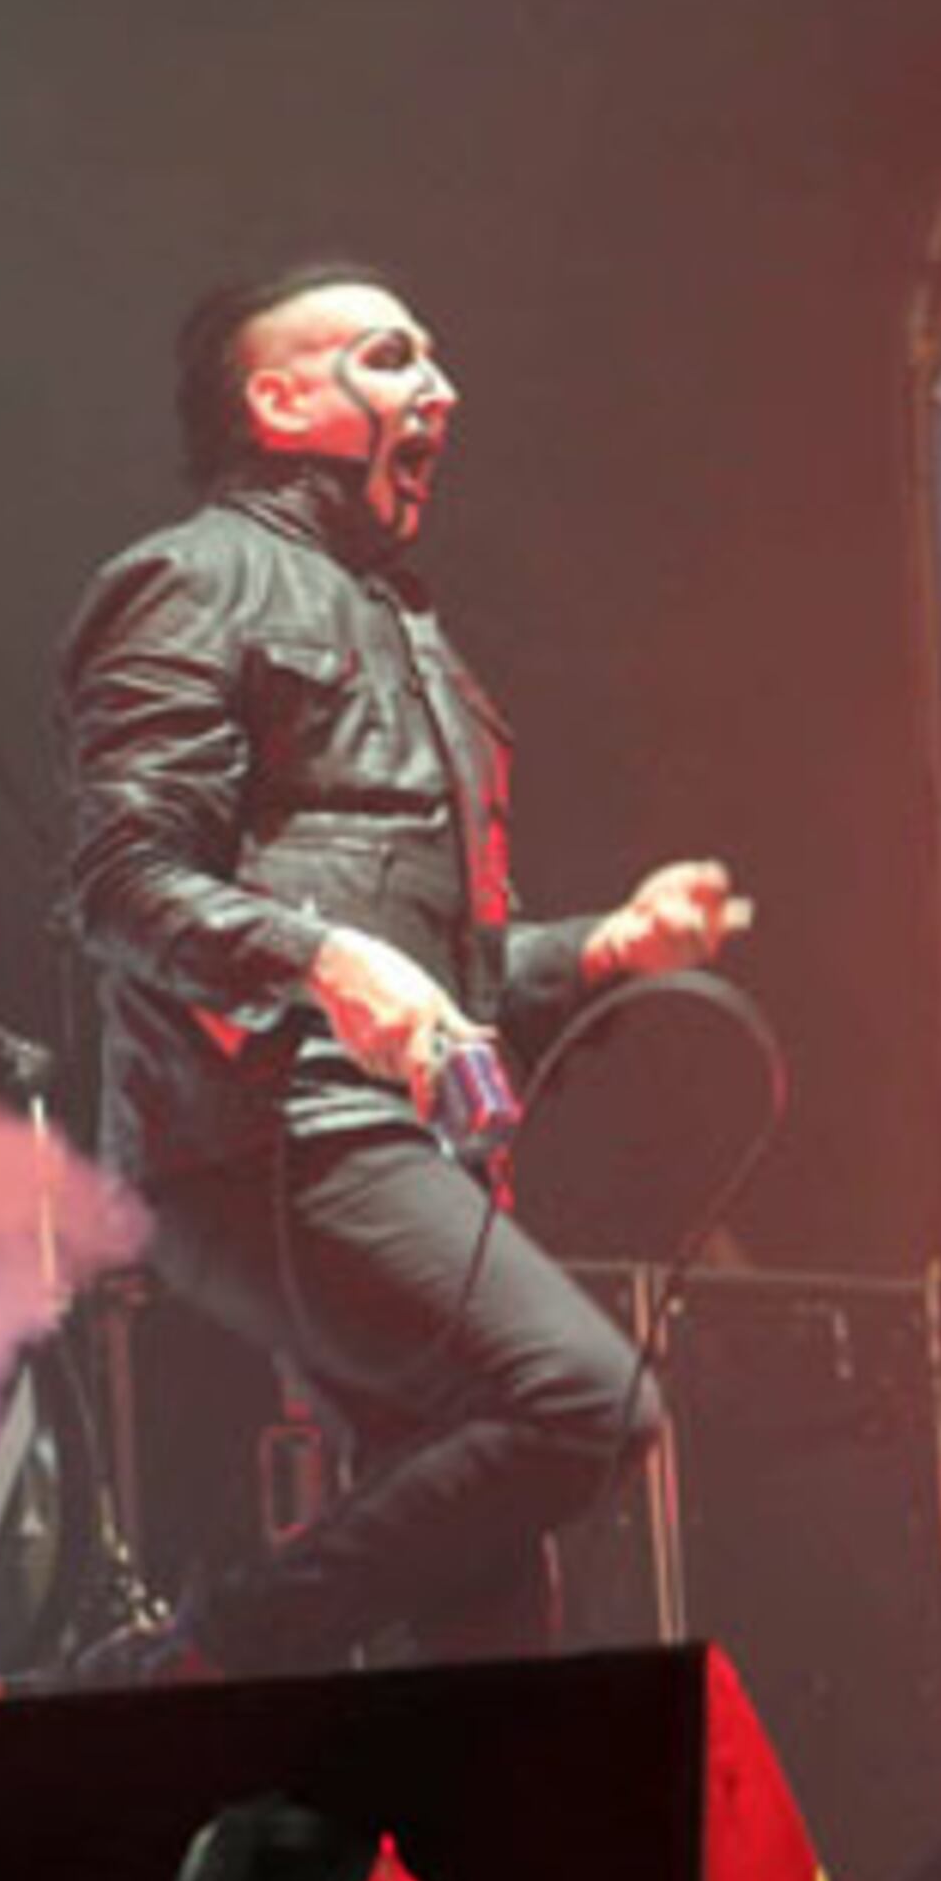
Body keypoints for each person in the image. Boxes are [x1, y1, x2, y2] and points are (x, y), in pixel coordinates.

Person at [56, 259, 747, 1680]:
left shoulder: (414, 636)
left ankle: (382, 1873)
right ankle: (196, 1660)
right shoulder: (192, 578)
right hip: (264, 1130)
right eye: (390, 357)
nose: (439, 387)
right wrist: (322, 961)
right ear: (282, 398)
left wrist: (609, 946)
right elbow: (121, 885)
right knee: (585, 1401)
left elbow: (452, 964)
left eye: (433, 358)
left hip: (384, 1133)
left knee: (490, 1619)